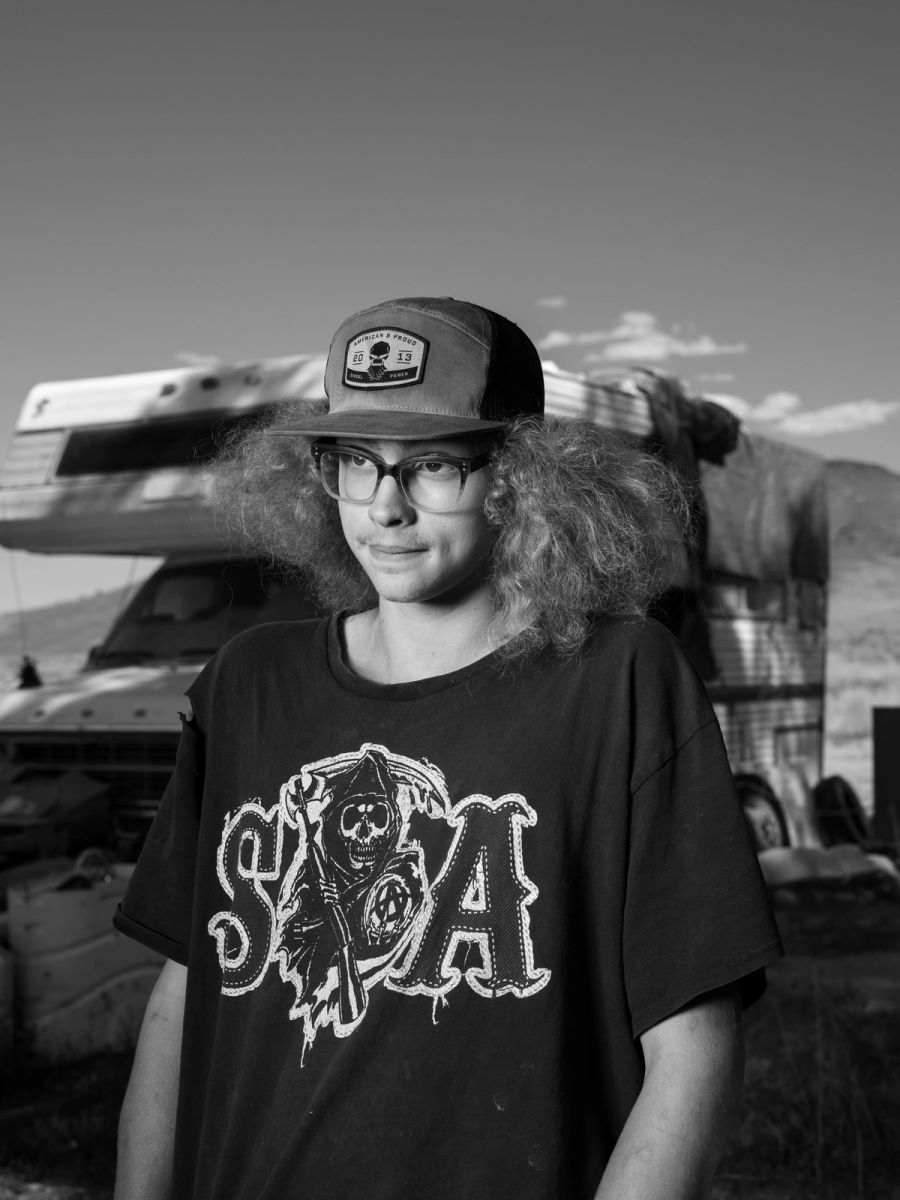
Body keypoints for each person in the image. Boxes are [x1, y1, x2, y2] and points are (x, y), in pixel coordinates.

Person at [113, 296, 783, 1200]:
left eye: (431, 465)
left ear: (521, 478)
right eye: (354, 462)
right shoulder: (248, 684)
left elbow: (695, 1048)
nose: (385, 507)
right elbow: (180, 1000)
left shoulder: (618, 682)